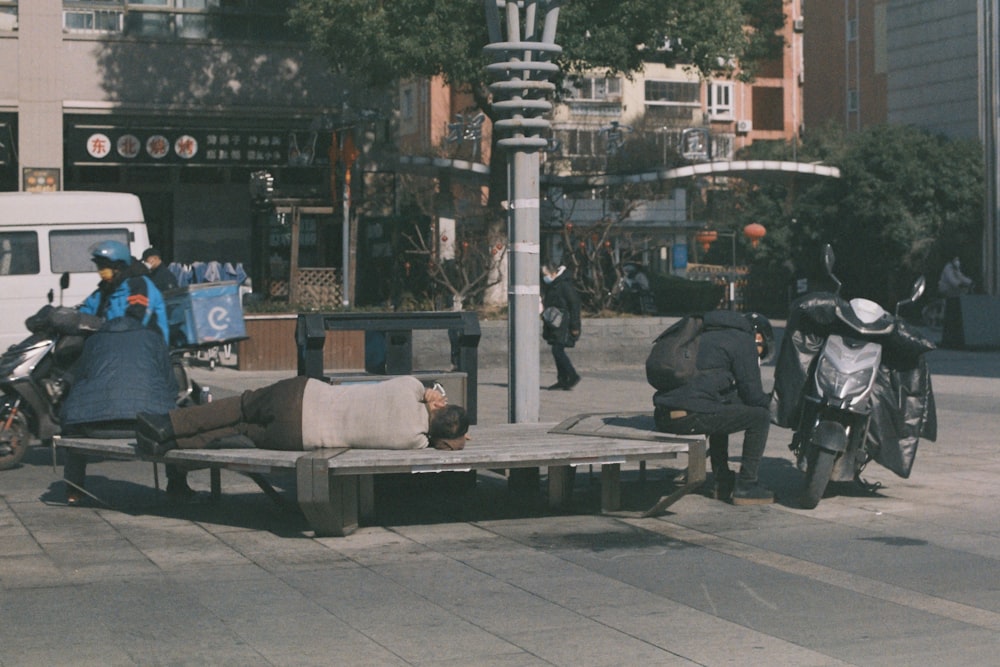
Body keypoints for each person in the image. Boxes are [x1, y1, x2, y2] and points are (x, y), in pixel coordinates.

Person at [62, 240, 184, 504]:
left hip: (146, 356)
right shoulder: (106, 290)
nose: (101, 271)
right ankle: (73, 487)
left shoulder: (140, 286)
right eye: (99, 267)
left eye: (105, 267)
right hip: (111, 354)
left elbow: (133, 320)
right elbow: (85, 311)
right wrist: (63, 317)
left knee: (174, 414)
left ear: (119, 266)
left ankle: (177, 482)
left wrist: (96, 324)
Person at [134, 375, 470, 455]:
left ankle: (169, 424)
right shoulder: (414, 442)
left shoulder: (409, 387)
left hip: (301, 395)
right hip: (298, 437)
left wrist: (432, 393)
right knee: (241, 427)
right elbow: (442, 444)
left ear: (441, 406)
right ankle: (173, 443)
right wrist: (455, 438)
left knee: (240, 405)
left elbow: (431, 389)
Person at [652, 310, 775, 505]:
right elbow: (753, 395)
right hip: (690, 417)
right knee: (760, 417)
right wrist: (771, 403)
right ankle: (746, 485)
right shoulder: (742, 340)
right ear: (756, 334)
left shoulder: (699, 334)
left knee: (720, 407)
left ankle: (722, 480)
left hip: (664, 416)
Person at [541, 262, 582, 390]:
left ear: (553, 273)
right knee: (556, 349)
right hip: (555, 323)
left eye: (545, 274)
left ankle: (571, 375)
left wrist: (575, 326)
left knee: (557, 350)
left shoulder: (563, 285)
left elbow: (574, 305)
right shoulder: (553, 285)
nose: (544, 277)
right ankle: (563, 379)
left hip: (564, 323)